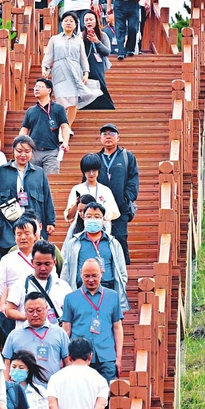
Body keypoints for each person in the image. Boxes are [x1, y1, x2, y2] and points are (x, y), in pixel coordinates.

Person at [0, 135, 56, 252]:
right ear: (13, 150)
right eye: (19, 151)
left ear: (32, 152)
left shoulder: (39, 173)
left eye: (27, 151)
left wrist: (50, 222)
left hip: (32, 224)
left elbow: (47, 198)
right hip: (6, 226)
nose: (23, 155)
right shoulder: (2, 171)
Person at [61, 258, 124, 384]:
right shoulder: (70, 298)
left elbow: (117, 328)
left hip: (106, 355)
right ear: (80, 274)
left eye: (95, 276)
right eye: (86, 276)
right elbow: (66, 330)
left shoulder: (112, 296)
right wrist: (65, 358)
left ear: (102, 272)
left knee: (105, 392)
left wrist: (118, 357)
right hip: (79, 357)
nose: (91, 280)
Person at [61, 203, 130, 313]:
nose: (92, 220)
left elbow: (122, 272)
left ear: (103, 219)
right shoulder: (74, 243)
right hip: (81, 293)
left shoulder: (113, 243)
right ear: (83, 218)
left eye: (97, 217)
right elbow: (66, 271)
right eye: (89, 216)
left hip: (107, 292)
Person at [41, 12, 99, 130]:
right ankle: (62, 127)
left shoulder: (78, 40)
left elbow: (83, 58)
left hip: (75, 72)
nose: (68, 23)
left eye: (71, 21)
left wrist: (86, 73)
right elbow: (48, 55)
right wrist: (44, 68)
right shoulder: (55, 39)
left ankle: (66, 129)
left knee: (73, 102)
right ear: (61, 23)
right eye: (66, 20)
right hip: (59, 71)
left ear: (76, 24)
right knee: (61, 101)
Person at [96, 123, 139, 264]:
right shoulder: (95, 159)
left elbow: (133, 178)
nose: (108, 137)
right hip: (99, 209)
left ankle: (124, 268)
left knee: (120, 238)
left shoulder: (127, 156)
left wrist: (127, 197)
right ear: (100, 138)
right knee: (100, 240)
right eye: (104, 134)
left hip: (121, 206)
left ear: (118, 138)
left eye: (112, 134)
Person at [5, 240, 73, 328]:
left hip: (54, 333)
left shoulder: (63, 286)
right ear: (32, 262)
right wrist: (29, 317)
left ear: (54, 262)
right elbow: (9, 310)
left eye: (47, 264)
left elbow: (71, 312)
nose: (43, 268)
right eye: (39, 264)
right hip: (28, 333)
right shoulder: (21, 284)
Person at [3, 292, 71, 379]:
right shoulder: (14, 335)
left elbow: (68, 362)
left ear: (46, 309)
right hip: (22, 386)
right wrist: (6, 384)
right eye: (30, 311)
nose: (35, 314)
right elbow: (7, 364)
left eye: (39, 310)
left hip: (51, 385)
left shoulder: (59, 333)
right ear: (24, 310)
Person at [19, 78, 71, 174]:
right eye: (35, 87)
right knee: (33, 180)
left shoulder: (59, 109)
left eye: (40, 87)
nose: (36, 89)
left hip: (51, 152)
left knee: (50, 180)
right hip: (33, 152)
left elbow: (64, 126)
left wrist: (65, 142)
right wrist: (19, 144)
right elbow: (24, 129)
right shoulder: (30, 111)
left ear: (49, 90)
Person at [0, 217, 40, 309]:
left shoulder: (42, 258)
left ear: (35, 236)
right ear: (14, 237)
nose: (23, 237)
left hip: (38, 306)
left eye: (27, 233)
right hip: (12, 307)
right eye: (19, 234)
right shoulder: (6, 259)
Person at [64, 154, 120, 225]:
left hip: (100, 227)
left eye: (94, 170)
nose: (91, 173)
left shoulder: (105, 190)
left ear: (98, 170)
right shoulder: (77, 189)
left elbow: (112, 211)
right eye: (88, 171)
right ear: (83, 172)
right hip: (80, 228)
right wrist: (76, 204)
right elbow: (69, 216)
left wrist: (107, 221)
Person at [80, 10, 115, 110]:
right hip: (84, 65)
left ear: (96, 21)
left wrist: (97, 42)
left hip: (98, 65)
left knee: (100, 85)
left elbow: (107, 52)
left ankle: (105, 107)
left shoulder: (103, 35)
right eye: (86, 20)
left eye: (91, 19)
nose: (89, 22)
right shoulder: (80, 36)